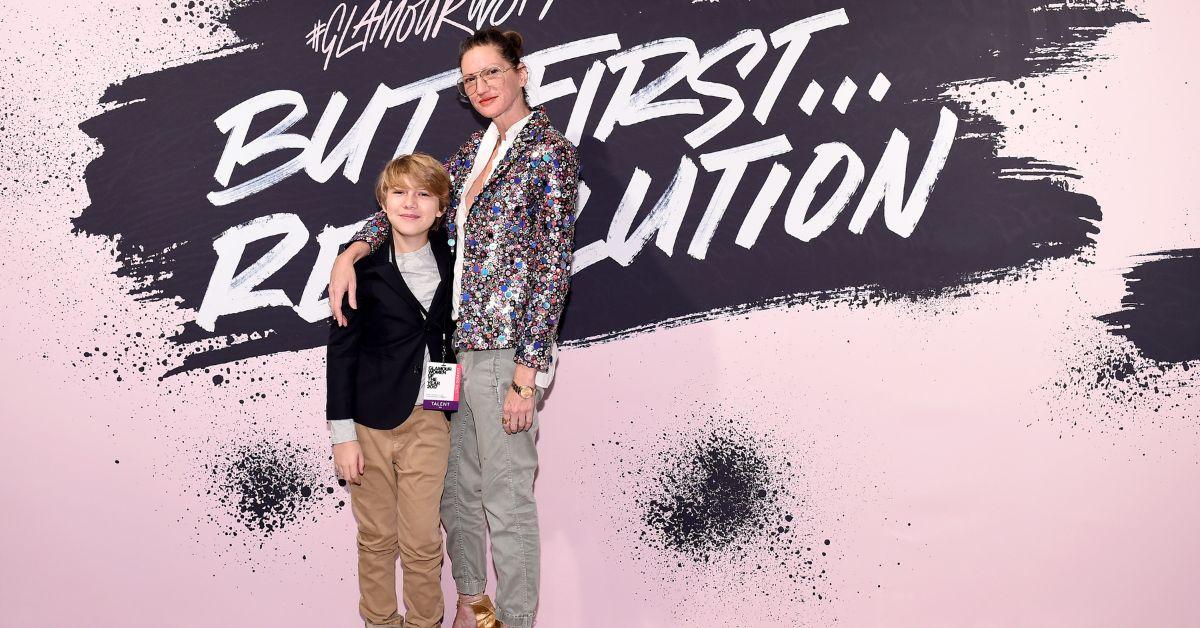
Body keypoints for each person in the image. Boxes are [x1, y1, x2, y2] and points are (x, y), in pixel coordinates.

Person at [328, 28, 580, 628]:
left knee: (506, 498)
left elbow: (551, 264)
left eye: (492, 72)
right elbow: (411, 201)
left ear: (521, 72)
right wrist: (353, 250)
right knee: (456, 493)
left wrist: (528, 372)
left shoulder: (548, 150)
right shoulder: (474, 150)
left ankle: (513, 620)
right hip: (451, 352)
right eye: (470, 79)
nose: (481, 86)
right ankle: (474, 606)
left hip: (504, 353)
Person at [326, 153, 456, 628]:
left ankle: (425, 623)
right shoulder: (360, 267)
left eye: (424, 194)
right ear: (383, 202)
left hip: (430, 418)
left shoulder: (456, 256)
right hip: (369, 423)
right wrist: (343, 434)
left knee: (422, 541)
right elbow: (340, 352)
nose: (411, 203)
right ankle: (380, 623)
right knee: (377, 537)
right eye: (400, 192)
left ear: (441, 207)